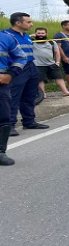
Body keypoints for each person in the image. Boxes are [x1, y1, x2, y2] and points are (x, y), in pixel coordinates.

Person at [4, 13, 49, 136]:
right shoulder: (6, 36)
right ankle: (9, 125)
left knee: (29, 96)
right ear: (18, 23)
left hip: (30, 66)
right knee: (13, 97)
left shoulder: (26, 36)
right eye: (28, 22)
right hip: (16, 69)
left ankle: (29, 121)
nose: (31, 24)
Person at [0, 31, 27, 165]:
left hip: (1, 82)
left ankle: (0, 152)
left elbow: (21, 57)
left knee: (3, 117)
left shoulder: (6, 38)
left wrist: (10, 75)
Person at [31, 27, 69, 101]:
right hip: (38, 65)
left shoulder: (52, 42)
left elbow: (57, 53)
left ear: (46, 34)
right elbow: (23, 39)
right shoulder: (31, 42)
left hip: (52, 64)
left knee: (59, 77)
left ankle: (65, 92)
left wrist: (58, 62)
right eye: (38, 33)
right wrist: (30, 36)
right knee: (40, 80)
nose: (40, 35)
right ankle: (42, 94)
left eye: (42, 33)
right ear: (35, 33)